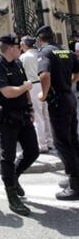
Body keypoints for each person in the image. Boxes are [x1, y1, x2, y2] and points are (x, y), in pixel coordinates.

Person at [0, 35, 39, 216]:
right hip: (7, 119)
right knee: (7, 156)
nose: (20, 48)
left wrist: (31, 107)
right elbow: (7, 92)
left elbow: (23, 86)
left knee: (33, 151)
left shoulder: (18, 64)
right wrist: (25, 88)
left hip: (24, 116)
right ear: (10, 48)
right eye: (18, 46)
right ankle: (11, 195)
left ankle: (14, 176)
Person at [36, 25, 79, 200]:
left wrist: (44, 94)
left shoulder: (45, 52)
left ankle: (75, 185)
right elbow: (77, 72)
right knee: (73, 139)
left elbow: (44, 75)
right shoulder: (65, 51)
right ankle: (76, 178)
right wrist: (68, 82)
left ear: (40, 39)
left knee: (61, 143)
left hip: (58, 102)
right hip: (70, 97)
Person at [19, 35, 53, 153]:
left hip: (32, 86)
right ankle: (49, 141)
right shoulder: (40, 54)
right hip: (44, 84)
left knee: (38, 116)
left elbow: (20, 73)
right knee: (46, 114)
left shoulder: (23, 57)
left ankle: (42, 144)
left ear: (24, 45)